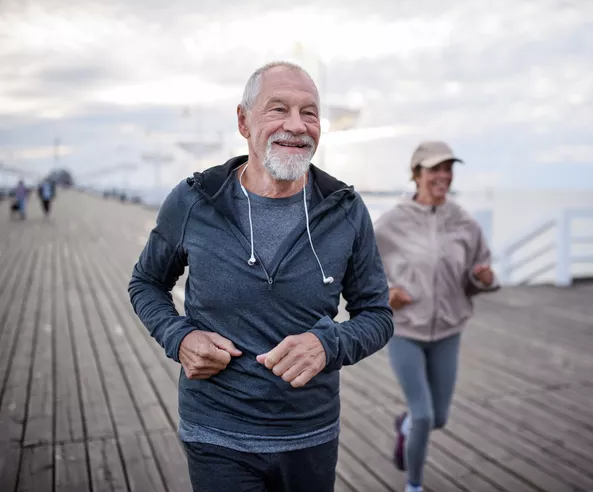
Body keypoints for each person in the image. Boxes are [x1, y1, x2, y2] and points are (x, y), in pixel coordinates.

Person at [128, 61, 393, 492]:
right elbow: (146, 283)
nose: (296, 125)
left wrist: (330, 344)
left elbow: (377, 315)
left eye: (309, 113)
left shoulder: (345, 209)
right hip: (216, 432)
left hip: (311, 435)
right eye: (278, 109)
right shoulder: (195, 201)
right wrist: (179, 337)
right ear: (243, 121)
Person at [373, 141, 501, 492]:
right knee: (424, 415)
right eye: (434, 169)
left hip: (448, 329)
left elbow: (478, 272)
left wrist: (482, 278)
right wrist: (386, 291)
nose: (443, 176)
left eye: (448, 169)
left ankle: (404, 427)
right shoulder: (391, 223)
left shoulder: (463, 222)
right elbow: (363, 270)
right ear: (416, 174)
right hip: (405, 330)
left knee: (438, 418)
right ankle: (413, 485)